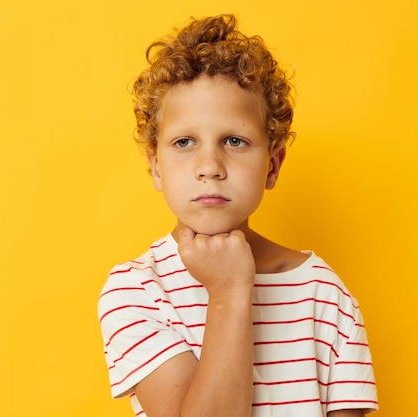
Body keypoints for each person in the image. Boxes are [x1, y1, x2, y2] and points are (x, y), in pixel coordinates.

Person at [98, 14, 378, 417]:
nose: (209, 165)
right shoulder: (136, 290)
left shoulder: (324, 294)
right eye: (184, 142)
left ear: (272, 166)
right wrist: (228, 293)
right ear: (156, 166)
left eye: (235, 140)